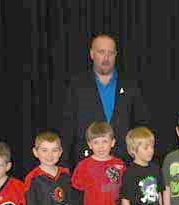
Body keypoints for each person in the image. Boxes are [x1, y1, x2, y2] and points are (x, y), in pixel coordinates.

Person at [62, 33, 149, 169]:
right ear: (92, 54)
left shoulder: (130, 85)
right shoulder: (77, 85)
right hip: (87, 164)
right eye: (101, 52)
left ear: (116, 55)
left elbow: (140, 125)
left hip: (123, 163)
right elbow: (68, 127)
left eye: (111, 53)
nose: (106, 58)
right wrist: (64, 166)